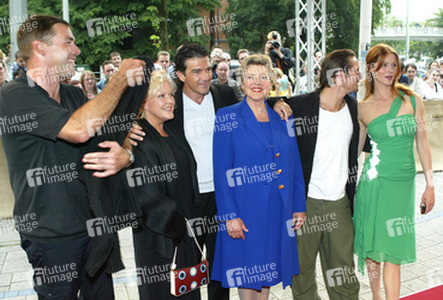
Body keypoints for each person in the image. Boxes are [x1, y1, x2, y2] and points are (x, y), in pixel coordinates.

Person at [128, 44, 291, 300]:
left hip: (223, 200)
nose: (205, 77)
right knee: (187, 273)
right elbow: (144, 115)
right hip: (186, 201)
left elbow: (253, 102)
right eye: (196, 72)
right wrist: (127, 131)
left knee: (222, 274)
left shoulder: (224, 94)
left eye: (207, 69)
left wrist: (277, 100)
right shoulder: (171, 105)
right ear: (180, 76)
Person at [0, 14, 144, 299]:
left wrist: (125, 155)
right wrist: (118, 79)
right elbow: (78, 130)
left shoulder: (72, 95)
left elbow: (104, 144)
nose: (77, 50)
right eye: (69, 42)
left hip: (94, 228)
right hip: (51, 237)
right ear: (40, 48)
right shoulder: (13, 95)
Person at [211, 54, 306, 300]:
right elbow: (221, 174)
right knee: (248, 277)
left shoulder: (283, 117)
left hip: (278, 210)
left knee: (267, 275)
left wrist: (299, 207)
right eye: (250, 76)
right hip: (245, 212)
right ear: (241, 82)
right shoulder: (227, 116)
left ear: (272, 81)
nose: (257, 82)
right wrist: (229, 216)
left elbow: (294, 165)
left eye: (263, 76)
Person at [354, 43, 435, 300]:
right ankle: (377, 296)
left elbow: (422, 143)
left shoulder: (413, 100)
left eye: (393, 64)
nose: (390, 70)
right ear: (371, 69)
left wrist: (430, 185)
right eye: (383, 65)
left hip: (402, 184)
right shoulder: (362, 107)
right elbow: (354, 151)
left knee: (393, 248)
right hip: (374, 182)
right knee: (374, 244)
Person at [285, 49, 361, 300]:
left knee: (344, 273)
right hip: (304, 205)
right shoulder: (301, 105)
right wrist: (275, 102)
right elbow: (262, 102)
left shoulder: (353, 107)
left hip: (339, 204)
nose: (360, 75)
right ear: (339, 75)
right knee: (302, 274)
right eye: (356, 70)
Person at [130, 70, 201, 299]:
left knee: (188, 291)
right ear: (144, 103)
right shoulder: (139, 137)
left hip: (185, 233)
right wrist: (182, 228)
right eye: (161, 96)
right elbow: (147, 196)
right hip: (160, 239)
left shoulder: (171, 130)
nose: (170, 100)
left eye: (171, 95)